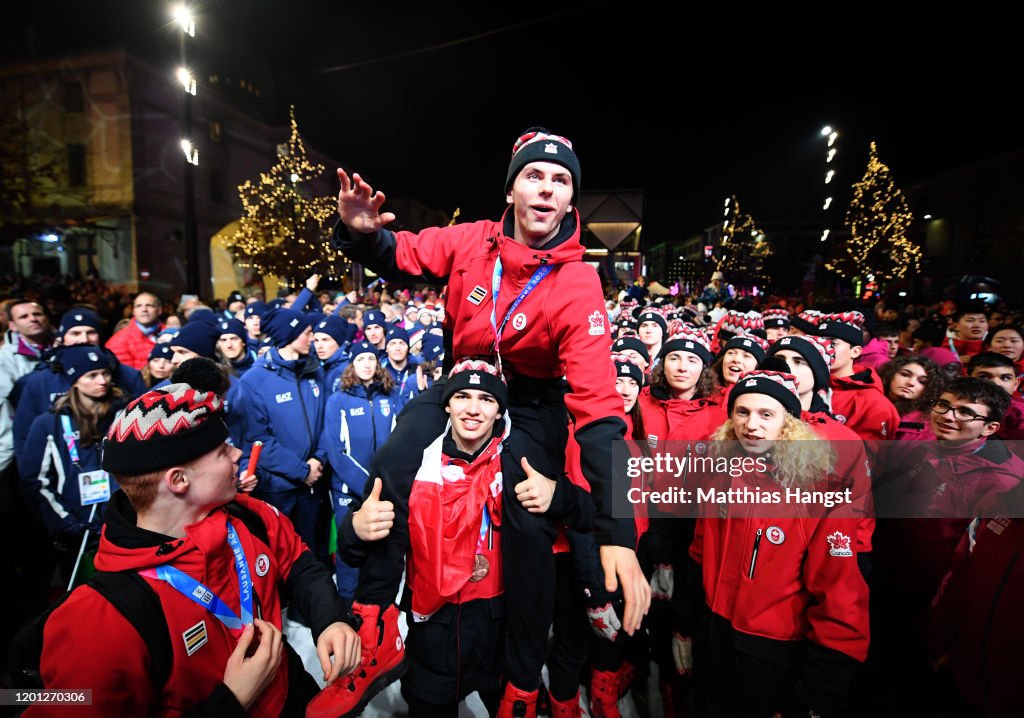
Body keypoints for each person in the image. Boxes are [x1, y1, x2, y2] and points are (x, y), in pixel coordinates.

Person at [332, 127, 648, 716]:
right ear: (511, 192)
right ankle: (372, 618)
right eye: (534, 175)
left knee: (529, 519)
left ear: (571, 201)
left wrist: (618, 533)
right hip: (467, 376)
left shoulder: (578, 283)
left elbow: (602, 414)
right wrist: (362, 234)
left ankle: (523, 681)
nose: (547, 188)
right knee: (396, 459)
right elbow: (402, 254)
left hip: (532, 399)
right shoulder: (473, 240)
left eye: (560, 180)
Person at [28, 382, 361, 717]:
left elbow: (299, 564)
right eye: (222, 450)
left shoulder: (250, 516)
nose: (238, 454)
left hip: (293, 695)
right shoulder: (98, 620)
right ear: (179, 481)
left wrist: (329, 618)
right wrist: (230, 702)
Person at [322, 360, 584, 718]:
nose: (473, 409)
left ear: (499, 410)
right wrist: (356, 527)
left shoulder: (521, 459)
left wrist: (557, 495)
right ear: (446, 404)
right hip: (433, 631)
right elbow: (353, 552)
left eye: (486, 400)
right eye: (462, 396)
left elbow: (587, 513)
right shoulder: (412, 462)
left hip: (500, 630)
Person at [685, 365, 870, 717]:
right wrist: (688, 621)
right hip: (715, 635)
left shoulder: (821, 495)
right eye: (742, 412)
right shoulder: (719, 474)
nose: (751, 424)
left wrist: (819, 694)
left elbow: (840, 599)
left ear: (789, 424)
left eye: (766, 414)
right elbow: (699, 551)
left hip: (773, 650)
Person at [19, 346, 127, 583]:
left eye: (105, 373)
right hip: (76, 530)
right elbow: (35, 482)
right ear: (74, 380)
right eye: (92, 375)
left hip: (122, 525)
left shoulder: (123, 414)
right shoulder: (50, 423)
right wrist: (66, 524)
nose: (103, 381)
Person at [239, 308, 328, 564]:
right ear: (290, 335)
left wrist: (318, 460)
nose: (312, 339)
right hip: (279, 490)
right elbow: (259, 439)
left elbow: (325, 421)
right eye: (308, 333)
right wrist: (301, 471)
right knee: (282, 559)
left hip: (314, 482)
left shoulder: (314, 371)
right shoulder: (253, 381)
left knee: (313, 556)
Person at [323, 341, 404, 607]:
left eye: (371, 358)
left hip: (385, 491)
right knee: (351, 553)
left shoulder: (390, 398)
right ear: (352, 365)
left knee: (382, 549)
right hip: (350, 492)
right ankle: (347, 608)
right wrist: (368, 487)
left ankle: (379, 610)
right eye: (361, 359)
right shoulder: (338, 400)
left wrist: (385, 485)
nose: (367, 364)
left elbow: (399, 443)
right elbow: (336, 452)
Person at [816, 311, 900, 442]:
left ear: (855, 351)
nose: (822, 348)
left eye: (832, 343)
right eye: (818, 343)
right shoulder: (806, 385)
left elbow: (866, 458)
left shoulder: (873, 403)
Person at [878, 354, 946, 441]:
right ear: (891, 374)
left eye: (922, 381)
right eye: (905, 374)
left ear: (928, 389)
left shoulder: (924, 425)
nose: (911, 383)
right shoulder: (869, 399)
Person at [105, 292, 165, 369]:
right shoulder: (118, 341)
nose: (144, 309)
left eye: (149, 305)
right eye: (139, 306)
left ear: (159, 310)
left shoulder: (172, 336)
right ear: (134, 311)